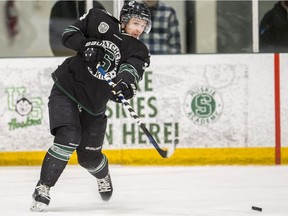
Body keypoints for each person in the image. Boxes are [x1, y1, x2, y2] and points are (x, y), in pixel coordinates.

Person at [30, 0, 151, 212]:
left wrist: (124, 84)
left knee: (88, 158)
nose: (139, 29)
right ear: (124, 19)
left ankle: (103, 175)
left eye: (143, 25)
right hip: (68, 89)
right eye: (136, 23)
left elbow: (132, 70)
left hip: (94, 104)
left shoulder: (138, 49)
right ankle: (43, 188)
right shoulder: (98, 18)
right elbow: (68, 34)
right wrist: (86, 45)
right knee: (68, 137)